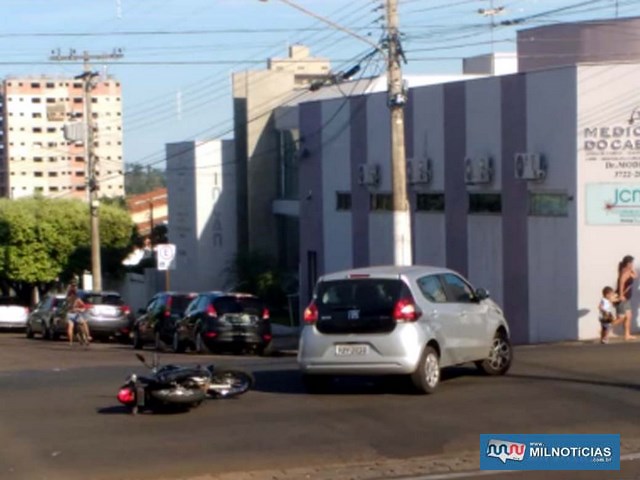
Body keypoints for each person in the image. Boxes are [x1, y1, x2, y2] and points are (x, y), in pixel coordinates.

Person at [616, 255, 637, 341]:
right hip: (624, 297)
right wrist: (621, 295)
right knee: (622, 318)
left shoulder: (629, 271)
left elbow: (635, 276)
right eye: (631, 263)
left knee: (628, 316)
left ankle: (627, 335)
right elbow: (621, 284)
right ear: (627, 263)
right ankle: (607, 326)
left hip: (627, 297)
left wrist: (631, 269)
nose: (632, 264)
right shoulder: (625, 272)